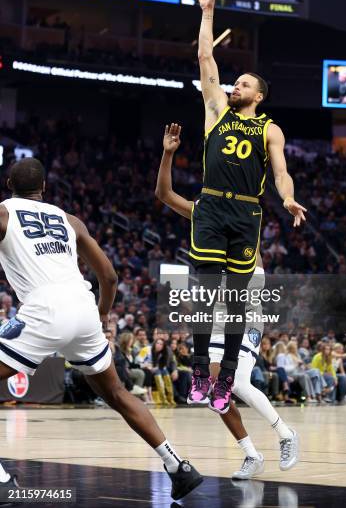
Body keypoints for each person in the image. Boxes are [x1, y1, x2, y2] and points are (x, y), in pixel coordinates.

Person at [0, 158, 202, 500]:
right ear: (44, 188)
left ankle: (3, 482)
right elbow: (109, 276)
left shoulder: (4, 213)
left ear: (9, 185)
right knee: (118, 393)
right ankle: (177, 466)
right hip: (83, 306)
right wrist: (102, 314)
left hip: (44, 307)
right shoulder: (70, 220)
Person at [187, 0, 306, 414]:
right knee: (203, 289)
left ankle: (227, 375)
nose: (234, 87)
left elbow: (281, 173)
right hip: (212, 204)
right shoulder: (216, 109)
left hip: (246, 212)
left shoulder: (269, 129)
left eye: (242, 85)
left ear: (258, 96)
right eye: (233, 82)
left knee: (236, 297)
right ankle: (200, 369)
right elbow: (205, 55)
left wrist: (289, 199)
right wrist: (207, 11)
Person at [155, 123, 299, 478]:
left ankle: (285, 433)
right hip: (214, 318)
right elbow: (164, 194)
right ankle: (251, 453)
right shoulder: (204, 213)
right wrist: (168, 154)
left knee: (233, 382)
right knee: (211, 393)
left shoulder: (243, 222)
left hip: (245, 316)